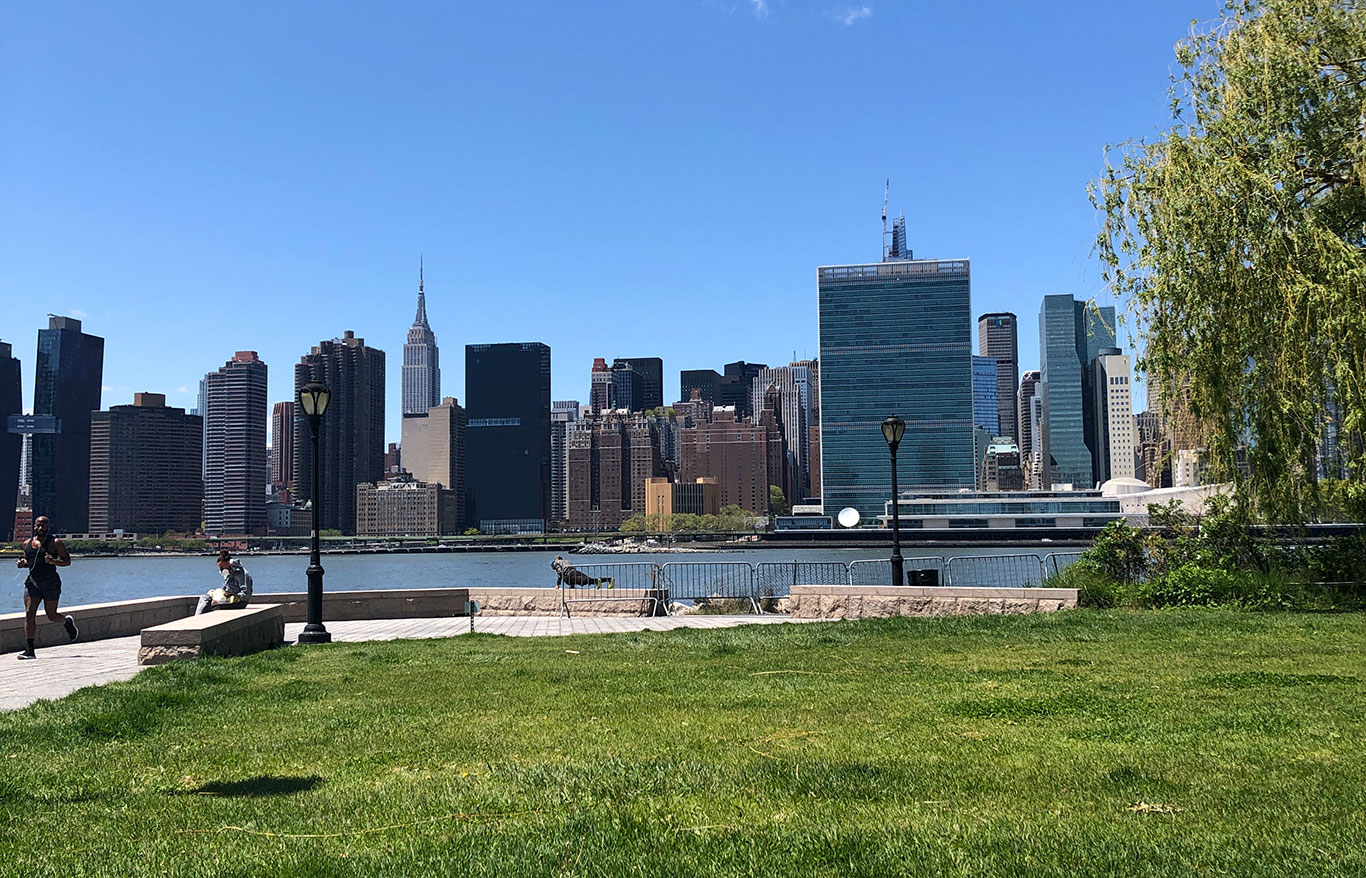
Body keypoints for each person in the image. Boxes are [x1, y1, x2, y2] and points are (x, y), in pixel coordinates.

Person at [15, 516, 78, 660]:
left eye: (44, 525)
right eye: (38, 525)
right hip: (33, 583)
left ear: (48, 527)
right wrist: (23, 563)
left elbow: (67, 561)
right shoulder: (27, 543)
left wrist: (53, 561)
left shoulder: (55, 543)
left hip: (51, 583)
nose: (40, 528)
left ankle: (66, 623)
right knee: (29, 613)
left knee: (51, 615)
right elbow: (29, 561)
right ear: (34, 526)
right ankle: (30, 651)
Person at [195, 550, 254, 615]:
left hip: (239, 602)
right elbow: (225, 589)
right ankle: (197, 616)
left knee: (214, 607)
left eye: (222, 567)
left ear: (228, 563)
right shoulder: (227, 575)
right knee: (205, 597)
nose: (221, 569)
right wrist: (216, 592)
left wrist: (234, 596)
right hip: (227, 599)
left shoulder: (243, 574)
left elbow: (246, 594)